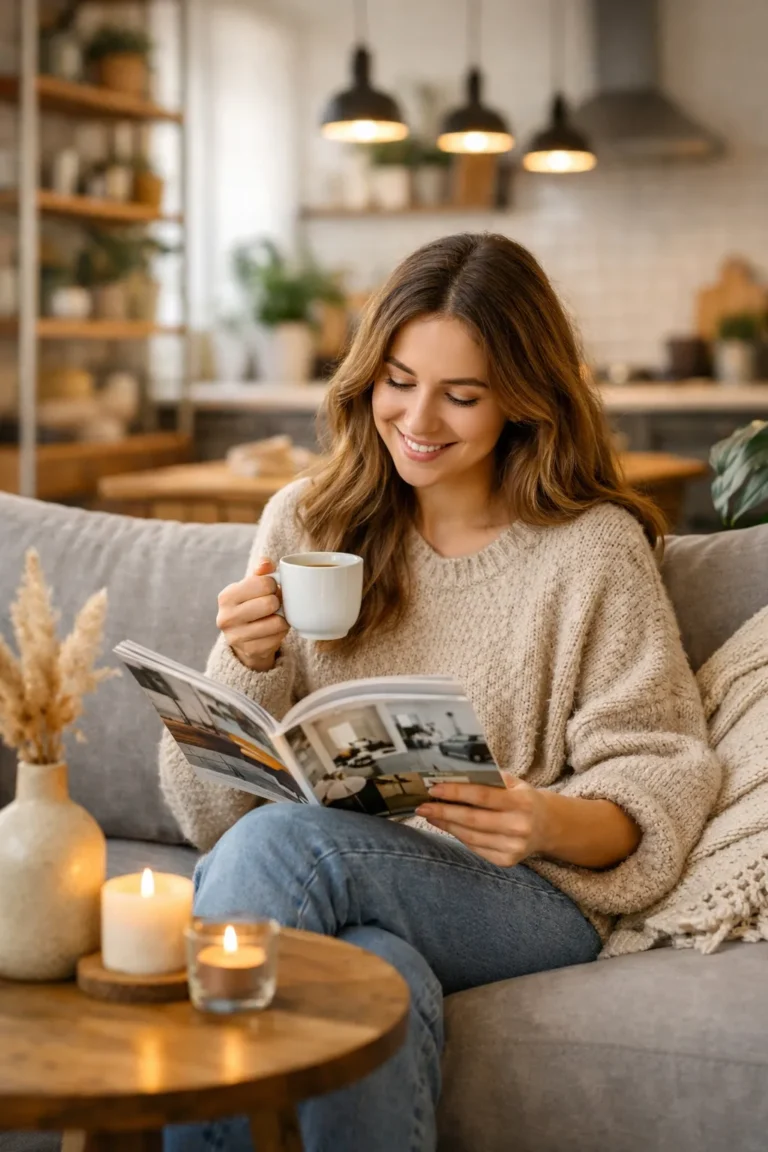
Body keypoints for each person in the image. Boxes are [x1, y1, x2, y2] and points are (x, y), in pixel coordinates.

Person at [161, 233, 720, 1152]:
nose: (419, 418)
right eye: (398, 380)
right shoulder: (307, 520)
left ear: (524, 402)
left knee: (292, 852)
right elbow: (210, 819)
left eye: (461, 395)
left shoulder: (591, 550)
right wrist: (248, 660)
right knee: (376, 978)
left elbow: (661, 776)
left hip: (522, 898)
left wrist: (540, 818)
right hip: (333, 872)